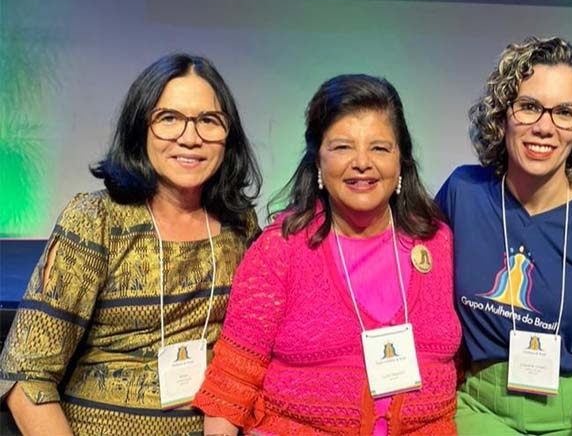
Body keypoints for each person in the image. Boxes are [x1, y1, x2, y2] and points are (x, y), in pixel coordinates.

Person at [0, 53, 262, 435]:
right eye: (169, 119)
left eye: (209, 121)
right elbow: (26, 374)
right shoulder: (95, 220)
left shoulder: (240, 228)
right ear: (140, 128)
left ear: (228, 136)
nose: (190, 138)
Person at [194, 74, 461, 435]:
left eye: (380, 148)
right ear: (318, 161)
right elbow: (232, 382)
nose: (362, 162)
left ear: (401, 161)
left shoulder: (436, 243)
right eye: (342, 147)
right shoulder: (281, 249)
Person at [436, 36, 572, 435]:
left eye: (564, 112)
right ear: (502, 115)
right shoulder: (463, 194)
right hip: (481, 408)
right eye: (529, 107)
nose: (544, 127)